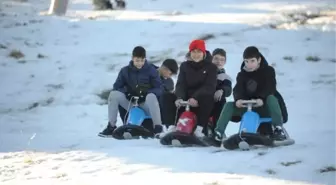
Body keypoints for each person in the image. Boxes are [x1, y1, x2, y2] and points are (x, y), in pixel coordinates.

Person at [213, 46, 288, 142]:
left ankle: (278, 128)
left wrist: (261, 99)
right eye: (246, 61)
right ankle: (218, 133)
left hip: (265, 107)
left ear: (259, 60)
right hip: (248, 107)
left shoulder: (268, 71)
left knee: (271, 98)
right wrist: (238, 99)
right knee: (229, 105)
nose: (249, 64)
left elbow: (270, 87)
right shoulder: (242, 75)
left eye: (252, 61)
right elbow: (238, 89)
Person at [98, 46, 164, 137]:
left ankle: (158, 128)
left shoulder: (151, 70)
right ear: (132, 58)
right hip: (132, 103)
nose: (139, 63)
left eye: (142, 60)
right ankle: (111, 126)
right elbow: (116, 86)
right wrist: (127, 92)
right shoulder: (125, 71)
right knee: (114, 94)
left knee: (151, 96)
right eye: (137, 60)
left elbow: (159, 88)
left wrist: (147, 93)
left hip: (146, 104)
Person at [160, 39, 217, 136]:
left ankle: (200, 129)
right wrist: (179, 97)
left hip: (200, 101)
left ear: (203, 53)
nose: (196, 54)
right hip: (185, 100)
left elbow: (209, 86)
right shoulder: (184, 66)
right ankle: (171, 126)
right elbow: (181, 84)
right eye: (193, 52)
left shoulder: (211, 67)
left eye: (199, 52)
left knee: (208, 98)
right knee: (166, 97)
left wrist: (195, 97)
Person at [118, 58, 179, 124]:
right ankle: (126, 123)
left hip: (153, 106)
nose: (170, 76)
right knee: (121, 97)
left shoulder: (169, 82)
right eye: (170, 74)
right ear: (165, 68)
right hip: (137, 100)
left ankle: (161, 125)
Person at [210, 48, 232, 126]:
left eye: (222, 60)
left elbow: (228, 89)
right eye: (216, 58)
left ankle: (217, 129)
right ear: (211, 59)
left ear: (225, 62)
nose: (218, 62)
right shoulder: (204, 73)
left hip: (216, 103)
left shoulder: (225, 77)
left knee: (221, 102)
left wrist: (222, 90)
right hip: (203, 101)